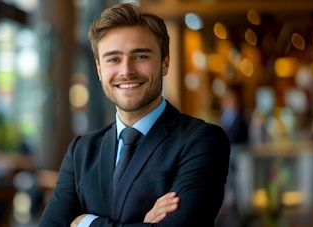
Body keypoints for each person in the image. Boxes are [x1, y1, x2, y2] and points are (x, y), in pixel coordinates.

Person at [39, 2, 231, 226]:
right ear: (100, 70)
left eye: (140, 56)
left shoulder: (202, 141)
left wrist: (85, 223)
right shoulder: (81, 152)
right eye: (113, 59)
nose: (126, 70)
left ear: (165, 63)